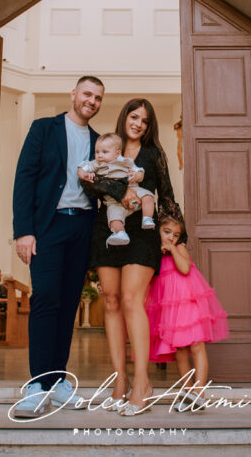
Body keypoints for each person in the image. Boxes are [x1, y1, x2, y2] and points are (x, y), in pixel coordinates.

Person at [10, 76, 105, 418]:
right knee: (46, 299)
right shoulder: (44, 129)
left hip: (82, 227)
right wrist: (24, 231)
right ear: (74, 94)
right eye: (87, 94)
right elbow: (25, 178)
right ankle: (37, 385)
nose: (91, 101)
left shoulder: (98, 142)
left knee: (68, 305)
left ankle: (58, 380)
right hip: (48, 225)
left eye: (98, 98)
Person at [86, 98, 178, 417]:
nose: (138, 123)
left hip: (143, 230)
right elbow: (91, 184)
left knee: (130, 300)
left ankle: (142, 383)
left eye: (145, 120)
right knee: (111, 301)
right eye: (134, 117)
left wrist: (177, 238)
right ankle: (120, 381)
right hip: (108, 227)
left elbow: (166, 196)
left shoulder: (154, 154)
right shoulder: (107, 147)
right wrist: (119, 190)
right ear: (125, 117)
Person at [145, 214, 229, 412]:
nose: (171, 237)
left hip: (189, 305)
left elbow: (184, 269)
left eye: (175, 235)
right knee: (180, 351)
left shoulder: (179, 248)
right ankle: (188, 391)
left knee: (197, 345)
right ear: (157, 231)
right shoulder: (155, 254)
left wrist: (173, 249)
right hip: (170, 310)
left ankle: (199, 392)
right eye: (166, 232)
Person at [78, 132, 156, 247]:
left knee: (148, 196)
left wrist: (138, 175)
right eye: (97, 152)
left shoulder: (125, 161)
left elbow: (139, 171)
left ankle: (147, 218)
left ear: (117, 153)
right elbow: (81, 168)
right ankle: (120, 234)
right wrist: (84, 174)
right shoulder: (95, 164)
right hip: (113, 201)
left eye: (104, 152)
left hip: (133, 191)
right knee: (114, 218)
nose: (99, 155)